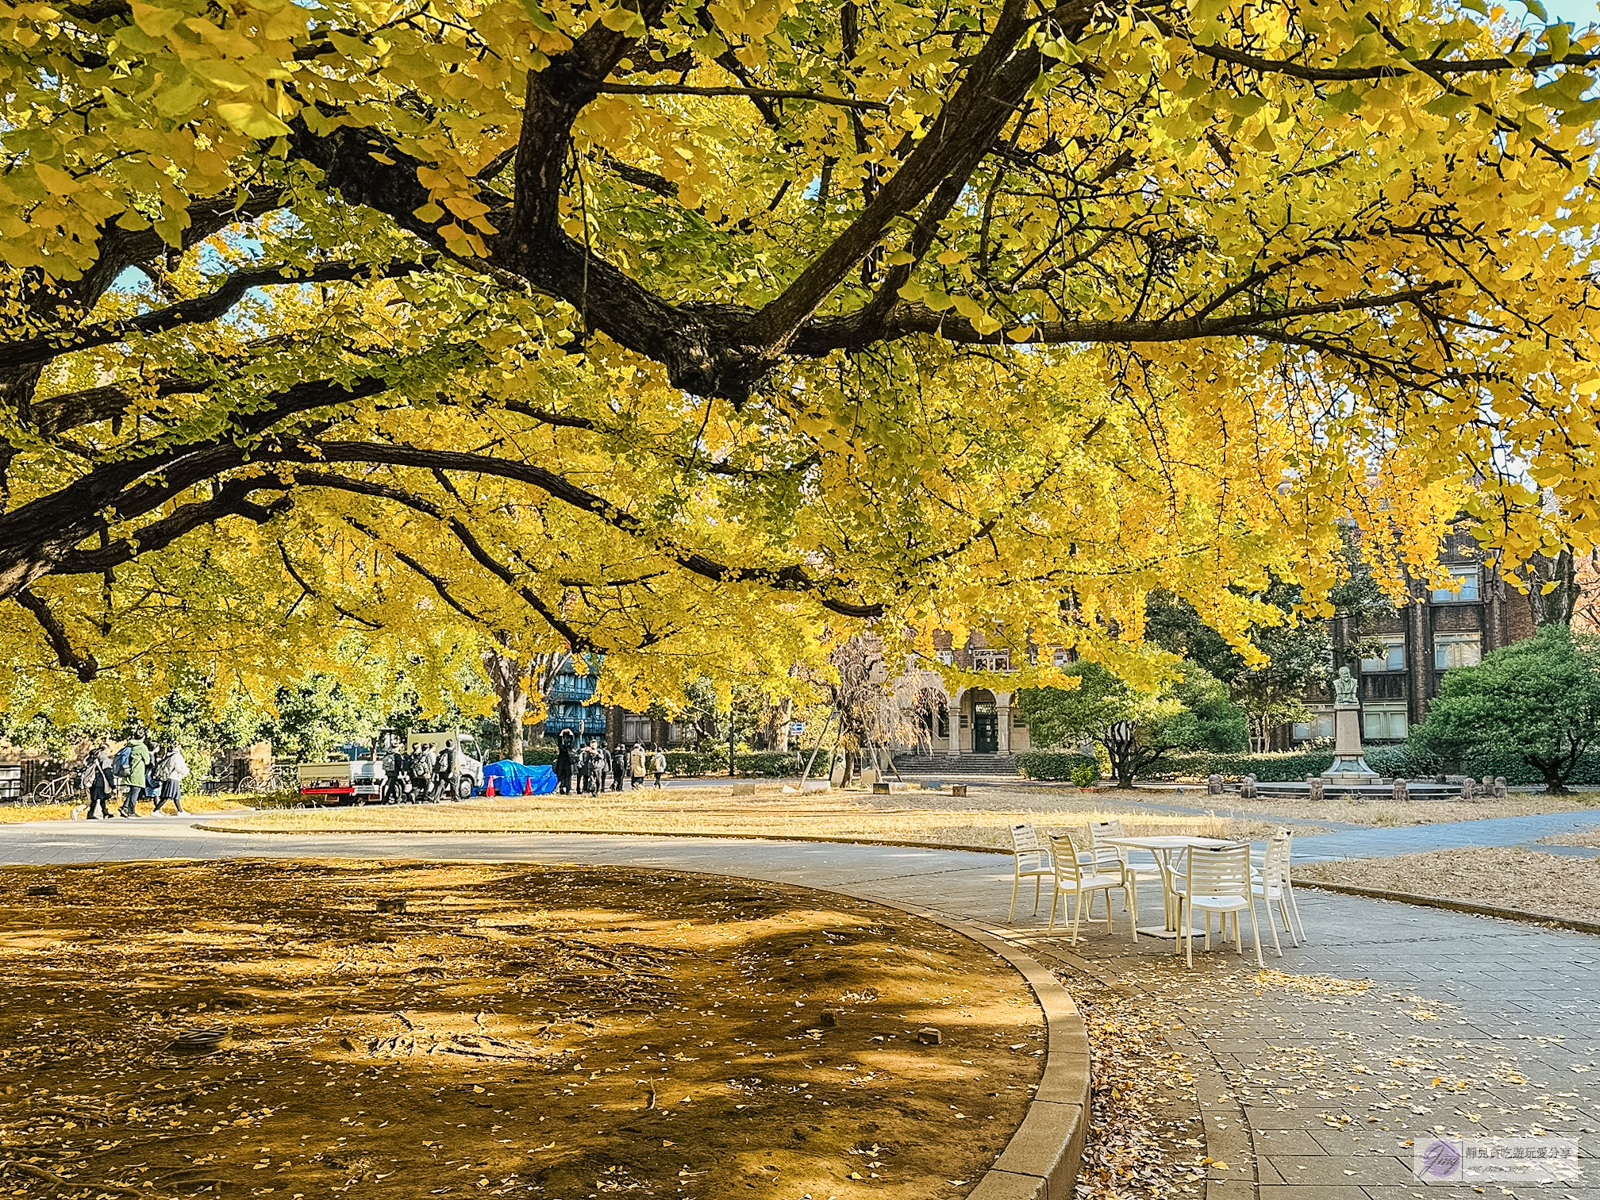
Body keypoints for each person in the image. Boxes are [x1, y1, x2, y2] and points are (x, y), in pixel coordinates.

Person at [151, 743, 189, 815]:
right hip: (174, 777)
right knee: (167, 796)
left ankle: (180, 811)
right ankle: (155, 810)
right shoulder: (177, 755)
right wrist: (184, 772)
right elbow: (177, 767)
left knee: (176, 795)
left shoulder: (168, 754)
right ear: (178, 747)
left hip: (168, 777)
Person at [120, 737, 152, 818]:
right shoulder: (142, 747)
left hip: (128, 771)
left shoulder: (129, 745)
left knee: (131, 791)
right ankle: (131, 810)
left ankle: (124, 807)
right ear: (143, 737)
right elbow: (147, 761)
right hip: (137, 772)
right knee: (135, 792)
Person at [82, 744, 113, 819]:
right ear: (106, 749)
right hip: (100, 781)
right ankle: (91, 814)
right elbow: (107, 772)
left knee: (98, 798)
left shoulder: (93, 756)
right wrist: (112, 785)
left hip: (92, 780)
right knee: (96, 799)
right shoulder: (104, 759)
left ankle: (104, 812)